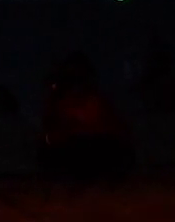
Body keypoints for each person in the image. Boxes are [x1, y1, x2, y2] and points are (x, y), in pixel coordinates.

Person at [39, 53, 134, 182]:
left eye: (77, 78)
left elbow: (113, 130)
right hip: (74, 152)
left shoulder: (97, 101)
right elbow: (52, 132)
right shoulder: (60, 103)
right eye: (71, 79)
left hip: (97, 150)